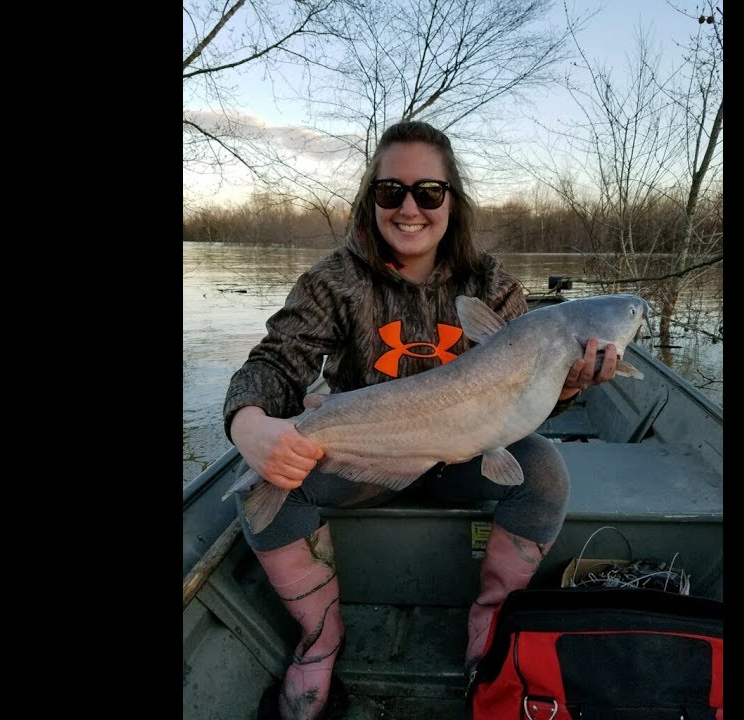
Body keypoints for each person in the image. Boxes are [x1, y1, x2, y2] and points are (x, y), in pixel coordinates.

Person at [222, 120, 620, 720]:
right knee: (263, 487)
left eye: (428, 192)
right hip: (368, 458)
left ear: (451, 202)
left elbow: (533, 402)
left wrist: (566, 385)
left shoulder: (495, 287)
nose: (410, 208)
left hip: (470, 460)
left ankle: (490, 634)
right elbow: (276, 363)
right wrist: (247, 423)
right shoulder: (334, 281)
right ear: (372, 199)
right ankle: (320, 640)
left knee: (543, 470)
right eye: (392, 191)